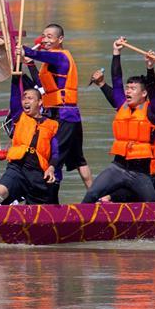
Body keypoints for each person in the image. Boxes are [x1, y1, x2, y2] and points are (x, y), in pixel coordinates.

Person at [82, 37, 155, 203]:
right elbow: (117, 79)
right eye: (128, 88)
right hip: (117, 167)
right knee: (91, 195)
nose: (128, 91)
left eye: (133, 89)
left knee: (153, 207)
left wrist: (150, 67)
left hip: (140, 173)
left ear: (143, 93)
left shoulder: (153, 111)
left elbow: (153, 89)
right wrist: (116, 53)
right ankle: (79, 224)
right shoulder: (122, 105)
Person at [20, 24, 93, 189]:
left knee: (54, 155)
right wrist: (31, 65)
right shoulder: (50, 61)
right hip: (65, 114)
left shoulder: (60, 57)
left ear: (60, 39)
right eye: (44, 36)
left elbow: (35, 53)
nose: (45, 40)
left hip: (64, 115)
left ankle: (50, 194)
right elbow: (43, 88)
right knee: (78, 159)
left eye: (50, 37)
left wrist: (18, 48)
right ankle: (97, 196)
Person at [0, 76, 60, 205]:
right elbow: (14, 97)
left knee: (43, 213)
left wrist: (51, 168)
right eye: (24, 98)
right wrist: (15, 77)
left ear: (40, 102)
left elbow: (56, 153)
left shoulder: (51, 125)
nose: (26, 101)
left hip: (38, 174)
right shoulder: (19, 116)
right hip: (17, 168)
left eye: (30, 98)